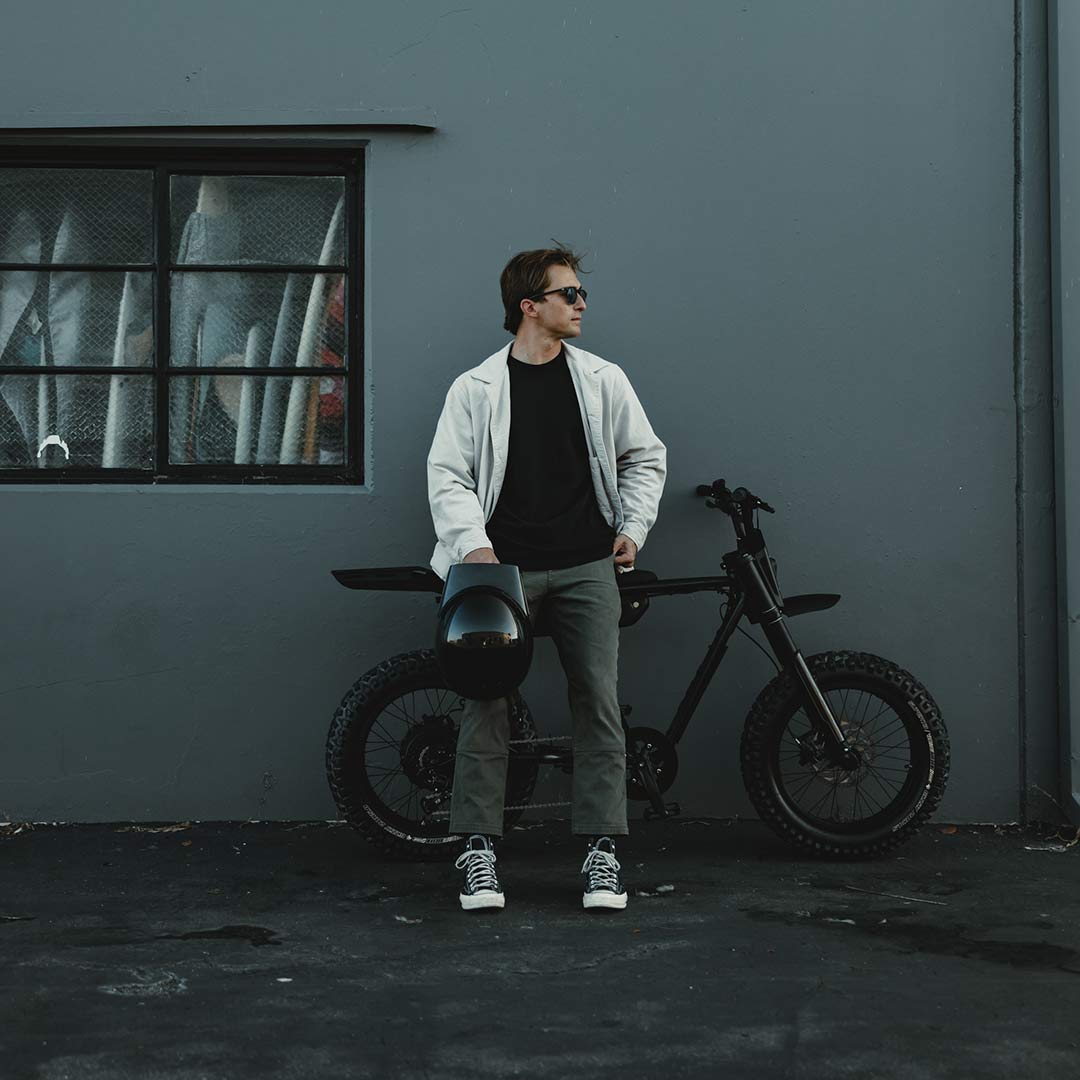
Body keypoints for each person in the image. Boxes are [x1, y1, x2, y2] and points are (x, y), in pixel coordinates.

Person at [426, 245, 666, 912]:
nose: (582, 302)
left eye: (582, 292)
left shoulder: (601, 379)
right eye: (569, 293)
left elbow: (646, 456)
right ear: (530, 306)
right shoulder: (475, 388)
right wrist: (472, 549)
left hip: (589, 564)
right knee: (486, 702)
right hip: (500, 573)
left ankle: (601, 853)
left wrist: (634, 529)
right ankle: (477, 849)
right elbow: (447, 476)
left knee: (598, 700)